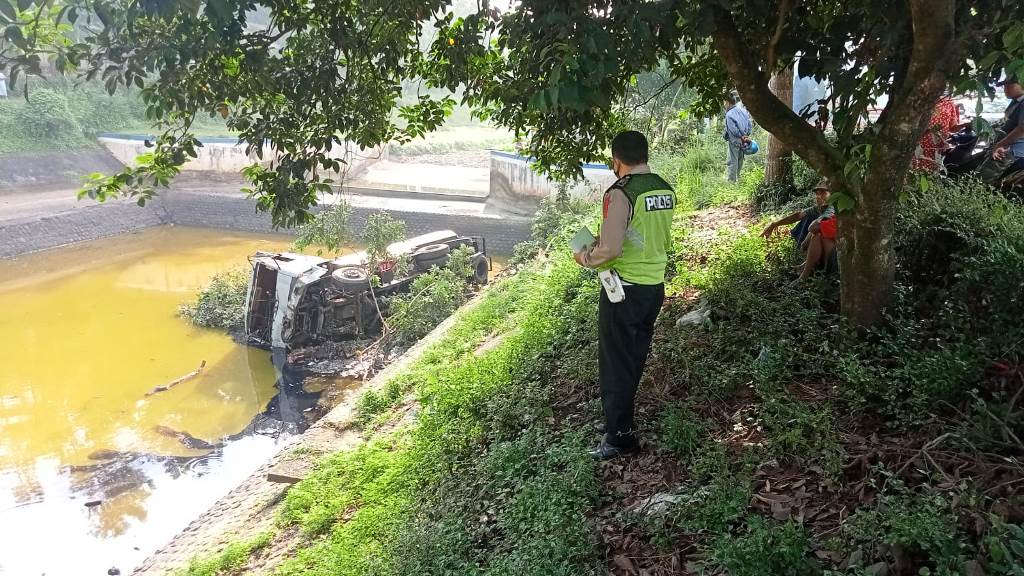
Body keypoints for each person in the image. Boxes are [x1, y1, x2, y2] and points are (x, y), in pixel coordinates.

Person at [574, 130, 675, 460]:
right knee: (634, 355)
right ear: (644, 155)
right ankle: (624, 420)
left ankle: (619, 437)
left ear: (616, 161)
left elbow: (613, 248)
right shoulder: (663, 187)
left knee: (615, 362)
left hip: (624, 291)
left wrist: (586, 256)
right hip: (653, 286)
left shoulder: (620, 193)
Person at [761, 180, 837, 279]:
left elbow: (816, 226)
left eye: (823, 192)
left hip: (835, 253)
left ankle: (807, 272)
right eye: (817, 193)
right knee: (809, 219)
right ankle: (806, 266)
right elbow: (798, 215)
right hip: (828, 249)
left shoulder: (832, 208)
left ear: (832, 194)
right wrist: (774, 224)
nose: (819, 196)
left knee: (816, 235)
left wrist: (805, 241)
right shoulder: (819, 208)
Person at [913, 95, 961, 171]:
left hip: (937, 148)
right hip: (919, 145)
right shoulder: (922, 100)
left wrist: (966, 125)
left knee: (930, 173)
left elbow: (953, 128)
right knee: (914, 171)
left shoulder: (949, 103)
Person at [991, 76, 1024, 176]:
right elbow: (1005, 122)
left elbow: (1022, 129)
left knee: (984, 175)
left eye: (1010, 86)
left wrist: (999, 144)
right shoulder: (1016, 101)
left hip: (1016, 150)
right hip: (1009, 146)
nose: (1005, 89)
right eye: (1004, 86)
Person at [723, 94, 753, 182]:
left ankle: (731, 182)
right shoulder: (743, 111)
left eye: (724, 103)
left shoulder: (729, 114)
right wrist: (746, 135)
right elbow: (749, 124)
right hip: (744, 141)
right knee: (740, 160)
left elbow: (733, 130)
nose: (724, 105)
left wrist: (740, 135)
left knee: (732, 161)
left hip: (735, 140)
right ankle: (738, 179)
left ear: (727, 103)